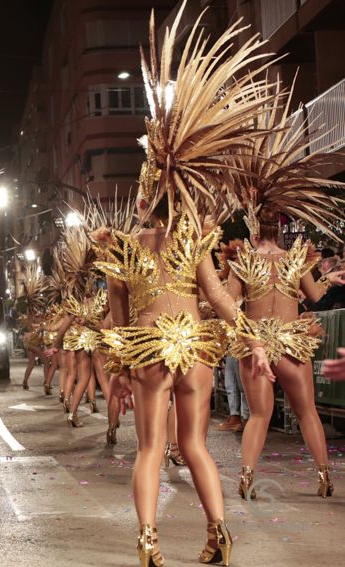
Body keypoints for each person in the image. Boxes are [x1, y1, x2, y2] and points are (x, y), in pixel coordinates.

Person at [94, 8, 276, 564]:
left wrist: (118, 374)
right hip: (195, 348)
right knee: (194, 444)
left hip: (150, 350)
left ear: (147, 198)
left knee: (151, 448)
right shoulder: (194, 242)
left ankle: (149, 542)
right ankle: (218, 533)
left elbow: (115, 321)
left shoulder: (124, 248)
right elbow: (219, 297)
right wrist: (255, 341)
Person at [219, 78, 345, 500]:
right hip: (292, 345)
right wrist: (328, 277)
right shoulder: (295, 259)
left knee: (258, 415)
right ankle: (325, 475)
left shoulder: (245, 261)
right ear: (280, 226)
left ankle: (247, 476)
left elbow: (230, 301)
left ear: (254, 226)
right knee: (306, 410)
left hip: (258, 346)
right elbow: (313, 296)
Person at [216, 356, 248, 432]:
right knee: (230, 383)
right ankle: (235, 416)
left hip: (246, 348)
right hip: (231, 347)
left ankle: (248, 419)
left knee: (244, 384)